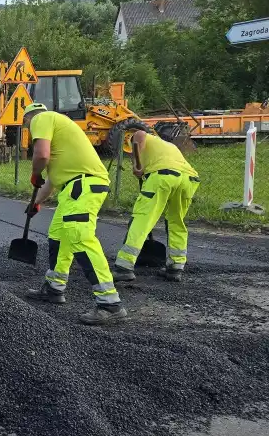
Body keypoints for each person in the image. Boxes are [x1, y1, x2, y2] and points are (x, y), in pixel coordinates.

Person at [22, 102, 126, 325]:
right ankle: (54, 287)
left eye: (26, 126)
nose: (29, 131)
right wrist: (36, 203)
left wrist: (34, 171)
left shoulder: (42, 118)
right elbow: (52, 181)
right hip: (74, 187)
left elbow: (41, 156)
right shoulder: (60, 136)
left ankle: (110, 304)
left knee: (79, 235)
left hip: (84, 185)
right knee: (59, 235)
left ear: (28, 119)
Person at [113, 128, 200, 282]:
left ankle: (124, 267)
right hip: (188, 179)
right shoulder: (168, 146)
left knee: (142, 219)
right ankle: (175, 267)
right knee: (176, 221)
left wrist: (136, 165)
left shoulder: (139, 137)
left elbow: (139, 135)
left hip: (162, 177)